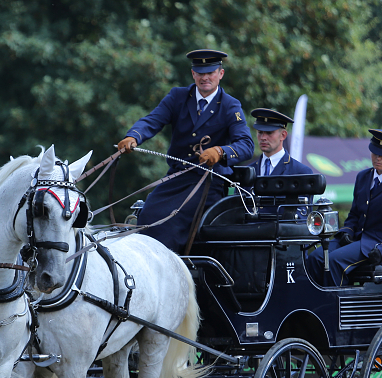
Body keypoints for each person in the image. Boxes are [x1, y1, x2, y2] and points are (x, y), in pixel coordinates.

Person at [117, 49, 254, 253]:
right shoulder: (177, 96)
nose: (205, 77)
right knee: (147, 215)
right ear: (193, 74)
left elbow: (246, 145)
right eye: (200, 73)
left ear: (220, 74)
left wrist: (220, 151)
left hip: (209, 182)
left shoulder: (230, 105)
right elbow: (153, 120)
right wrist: (134, 135)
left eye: (210, 72)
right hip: (177, 177)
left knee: (171, 222)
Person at [306, 129, 382, 286]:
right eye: (374, 153)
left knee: (333, 261)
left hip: (381, 244)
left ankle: (336, 309)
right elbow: (354, 214)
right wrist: (347, 231)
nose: (377, 158)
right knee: (315, 258)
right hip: (359, 240)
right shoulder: (363, 177)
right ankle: (317, 307)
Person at [250, 108, 313, 216]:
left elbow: (302, 217)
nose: (263, 138)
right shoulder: (248, 171)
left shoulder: (301, 172)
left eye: (269, 133)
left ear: (283, 135)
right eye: (260, 132)